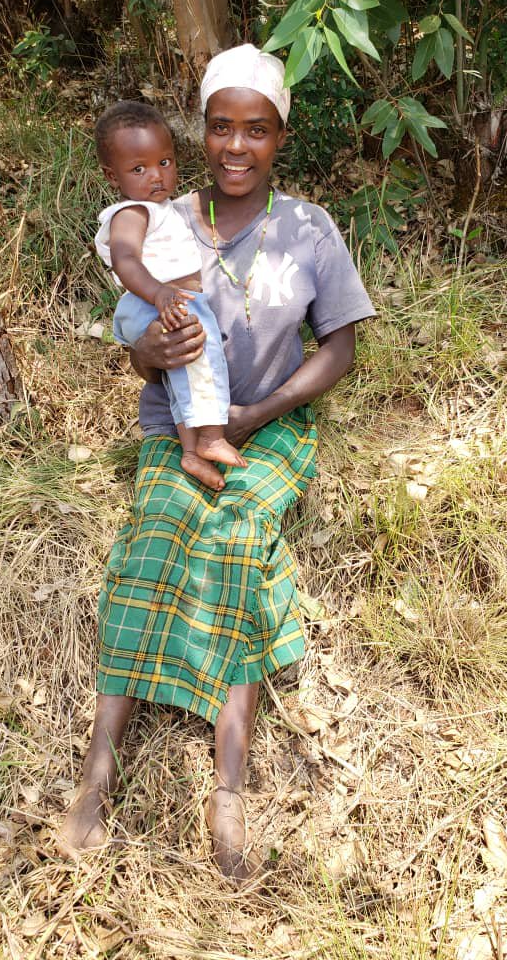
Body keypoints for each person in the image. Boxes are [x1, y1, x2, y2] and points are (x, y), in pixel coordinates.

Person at [59, 44, 376, 883]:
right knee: (157, 531)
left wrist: (260, 411)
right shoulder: (160, 210)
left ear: (280, 137)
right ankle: (98, 774)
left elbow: (340, 349)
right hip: (176, 424)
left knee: (236, 535)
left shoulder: (309, 228)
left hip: (271, 427)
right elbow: (138, 341)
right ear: (201, 131)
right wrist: (151, 352)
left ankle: (227, 790)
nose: (237, 146)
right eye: (222, 127)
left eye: (257, 130)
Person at [95, 100, 246, 491]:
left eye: (164, 162)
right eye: (139, 169)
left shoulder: (161, 209)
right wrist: (159, 293)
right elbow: (125, 259)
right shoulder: (132, 212)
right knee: (200, 351)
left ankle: (191, 451)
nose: (156, 176)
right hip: (157, 299)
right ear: (112, 176)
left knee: (181, 371)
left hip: (162, 298)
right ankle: (211, 435)